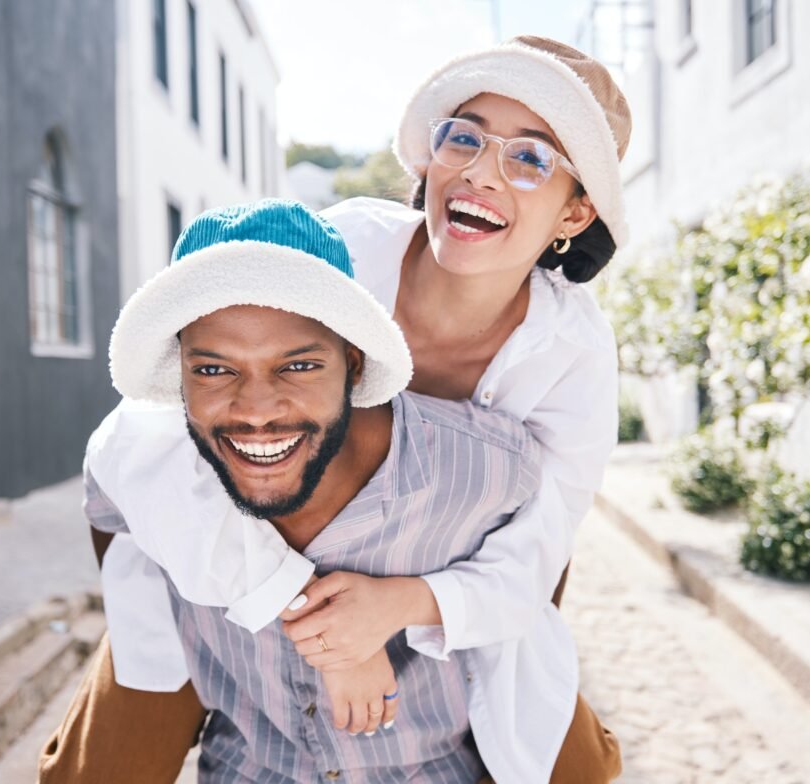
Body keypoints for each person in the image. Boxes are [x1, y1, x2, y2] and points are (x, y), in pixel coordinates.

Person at [41, 35, 629, 783]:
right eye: (465, 137)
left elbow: (536, 554)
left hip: (446, 568)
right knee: (103, 766)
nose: (482, 170)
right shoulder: (342, 248)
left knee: (554, 751)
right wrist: (299, 608)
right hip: (243, 540)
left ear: (575, 211)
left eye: (531, 157)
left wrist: (398, 606)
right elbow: (156, 437)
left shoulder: (572, 351)